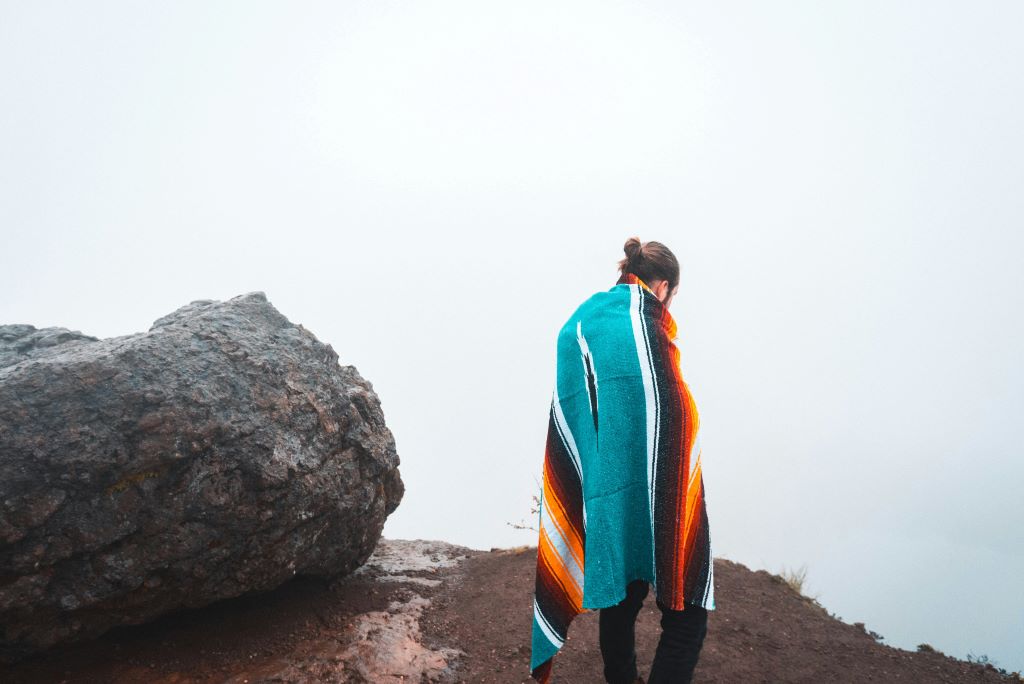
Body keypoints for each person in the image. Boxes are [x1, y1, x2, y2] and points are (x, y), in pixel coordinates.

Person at [530, 237, 714, 684]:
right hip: (664, 489)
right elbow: (670, 407)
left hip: (610, 494)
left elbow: (575, 387)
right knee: (688, 615)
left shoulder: (585, 321)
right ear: (665, 285)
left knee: (621, 597)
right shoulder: (650, 323)